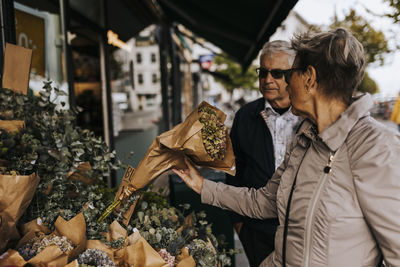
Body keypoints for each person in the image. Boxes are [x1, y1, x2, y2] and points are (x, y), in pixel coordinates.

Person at [173, 28, 400, 267]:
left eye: (289, 74)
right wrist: (201, 184)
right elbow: (264, 202)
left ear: (309, 78)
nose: (285, 83)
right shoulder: (304, 141)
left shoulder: (377, 147)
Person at [225, 40, 300, 267]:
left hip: (302, 229)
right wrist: (240, 223)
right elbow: (233, 170)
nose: (268, 79)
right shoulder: (245, 116)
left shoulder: (309, 115)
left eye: (277, 73)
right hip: (256, 230)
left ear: (294, 75)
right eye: (263, 72)